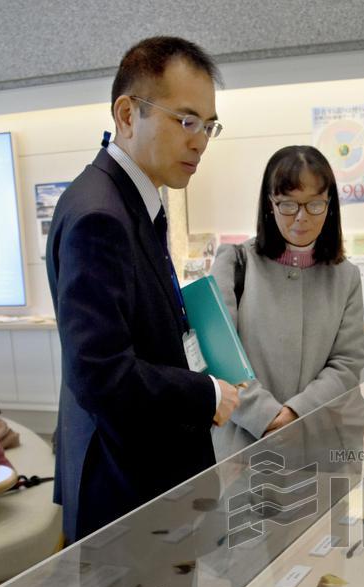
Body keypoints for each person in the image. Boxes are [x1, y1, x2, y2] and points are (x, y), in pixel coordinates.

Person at [47, 36, 240, 542]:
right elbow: (101, 374)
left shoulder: (129, 201)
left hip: (144, 482)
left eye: (209, 126)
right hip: (126, 491)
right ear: (128, 114)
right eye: (186, 121)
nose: (200, 141)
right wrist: (205, 393)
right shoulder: (100, 214)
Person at [210, 145, 364, 457]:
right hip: (245, 445)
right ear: (271, 204)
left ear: (330, 205)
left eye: (315, 204)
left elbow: (347, 363)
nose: (301, 217)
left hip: (322, 444)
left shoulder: (345, 276)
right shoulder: (235, 263)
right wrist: (265, 416)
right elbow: (219, 354)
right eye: (288, 205)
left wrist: (296, 413)